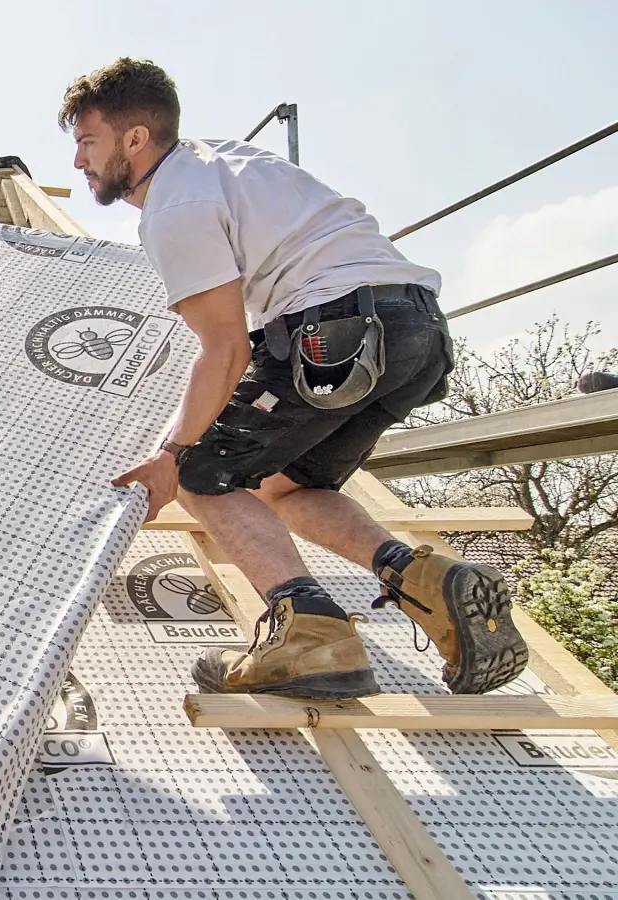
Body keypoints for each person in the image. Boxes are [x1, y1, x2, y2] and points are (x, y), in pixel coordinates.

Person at [60, 58, 528, 698]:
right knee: (286, 486)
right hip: (415, 329)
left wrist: (171, 455)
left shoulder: (176, 202)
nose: (80, 162)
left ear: (134, 139)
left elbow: (224, 349)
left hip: (335, 328)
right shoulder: (220, 160)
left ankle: (307, 636)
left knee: (203, 473)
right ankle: (424, 579)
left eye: (88, 143)